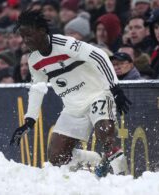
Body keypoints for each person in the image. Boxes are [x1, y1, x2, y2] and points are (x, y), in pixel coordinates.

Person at [10, 10, 131, 177]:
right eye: (23, 36)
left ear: (42, 31)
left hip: (98, 94)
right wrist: (29, 120)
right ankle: (92, 159)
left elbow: (100, 56)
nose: (25, 40)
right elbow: (37, 88)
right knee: (55, 158)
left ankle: (123, 180)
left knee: (106, 137)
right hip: (73, 108)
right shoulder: (34, 60)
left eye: (28, 35)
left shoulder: (65, 44)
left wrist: (114, 88)